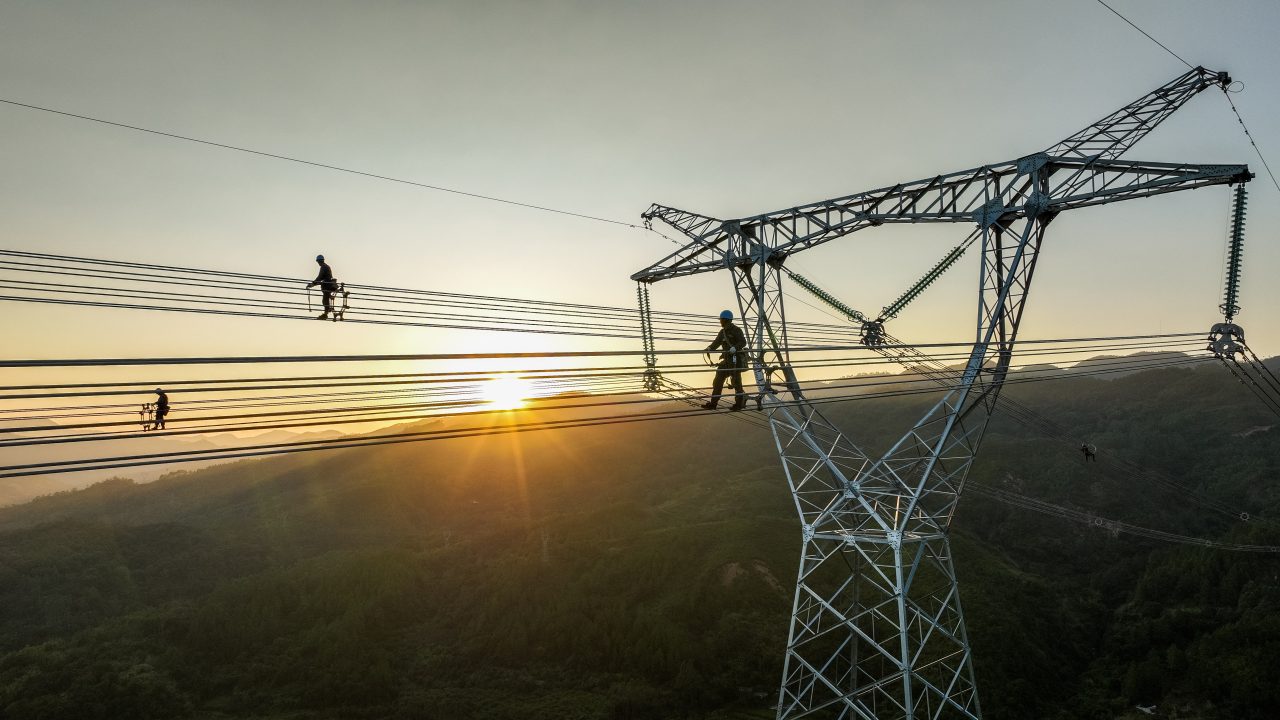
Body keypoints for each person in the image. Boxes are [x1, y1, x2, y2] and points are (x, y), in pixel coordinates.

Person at [702, 310, 749, 411]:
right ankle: (713, 403)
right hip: (726, 361)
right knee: (718, 380)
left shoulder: (736, 330)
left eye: (721, 320)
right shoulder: (722, 332)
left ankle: (739, 404)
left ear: (725, 320)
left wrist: (735, 348)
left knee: (736, 383)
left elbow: (743, 342)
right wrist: (710, 348)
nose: (720, 322)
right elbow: (717, 342)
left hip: (735, 361)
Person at [306, 254, 339, 320]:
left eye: (318, 262)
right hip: (327, 284)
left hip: (327, 286)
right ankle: (327, 311)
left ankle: (326, 313)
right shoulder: (326, 266)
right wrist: (312, 284)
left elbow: (320, 277)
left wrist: (313, 283)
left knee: (325, 300)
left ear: (318, 261)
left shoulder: (323, 267)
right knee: (325, 300)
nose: (318, 263)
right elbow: (321, 279)